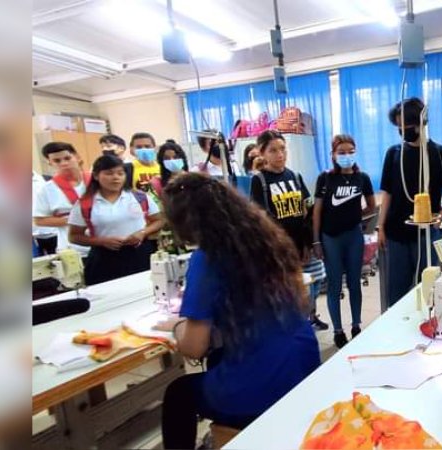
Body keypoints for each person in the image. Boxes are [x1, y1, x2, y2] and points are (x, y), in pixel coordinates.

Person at [156, 173, 321, 450]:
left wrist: (175, 326)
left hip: (262, 385)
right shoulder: (269, 242)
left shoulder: (207, 257)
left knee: (178, 394)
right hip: (304, 366)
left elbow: (194, 347)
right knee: (221, 358)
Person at [378, 97, 442, 308]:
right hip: (396, 232)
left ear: (421, 122)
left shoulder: (441, 153)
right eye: (399, 127)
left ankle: (427, 326)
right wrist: (381, 227)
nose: (403, 130)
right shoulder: (394, 154)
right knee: (396, 288)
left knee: (428, 285)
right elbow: (386, 193)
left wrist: (438, 218)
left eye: (407, 125)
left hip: (426, 232)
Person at [250, 130, 329, 330]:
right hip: (281, 248)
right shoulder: (259, 181)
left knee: (314, 282)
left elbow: (307, 209)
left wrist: (307, 242)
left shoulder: (295, 176)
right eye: (273, 150)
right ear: (262, 152)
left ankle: (310, 316)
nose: (280, 154)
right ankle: (296, 325)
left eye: (283, 149)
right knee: (292, 289)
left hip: (302, 243)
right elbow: (260, 217)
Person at [312, 134, 376, 348]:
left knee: (354, 283)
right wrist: (316, 241)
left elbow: (371, 206)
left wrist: (355, 217)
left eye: (350, 151)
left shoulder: (363, 178)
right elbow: (317, 211)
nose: (346, 155)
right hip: (330, 238)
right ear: (333, 155)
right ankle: (338, 331)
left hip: (353, 237)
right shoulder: (325, 178)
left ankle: (357, 325)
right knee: (334, 285)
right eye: (341, 152)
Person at [67, 155, 164, 285]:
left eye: (120, 173)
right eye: (109, 173)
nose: (116, 177)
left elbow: (159, 220)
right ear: (96, 176)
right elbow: (74, 236)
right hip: (104, 259)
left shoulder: (139, 197)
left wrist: (142, 233)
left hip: (140, 254)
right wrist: (101, 241)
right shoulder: (85, 204)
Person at [32, 142, 90, 257]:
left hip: (106, 245)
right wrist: (73, 220)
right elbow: (39, 220)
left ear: (77, 157)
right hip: (73, 250)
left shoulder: (97, 180)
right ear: (50, 163)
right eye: (57, 161)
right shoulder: (47, 189)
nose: (64, 163)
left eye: (67, 158)